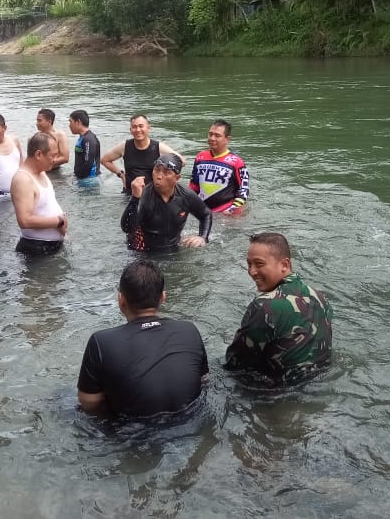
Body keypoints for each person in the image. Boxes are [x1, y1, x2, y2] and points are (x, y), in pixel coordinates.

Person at [77, 259, 208, 418]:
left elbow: (89, 403)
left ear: (121, 300)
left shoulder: (101, 342)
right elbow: (203, 381)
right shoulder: (189, 330)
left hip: (133, 432)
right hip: (189, 421)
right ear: (162, 298)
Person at [224, 232, 334, 384]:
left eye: (259, 264)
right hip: (319, 384)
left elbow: (236, 363)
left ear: (284, 265)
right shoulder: (320, 297)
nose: (252, 271)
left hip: (276, 394)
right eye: (249, 264)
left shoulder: (265, 305)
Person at [120, 154, 211, 253]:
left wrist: (202, 237)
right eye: (157, 170)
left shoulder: (185, 195)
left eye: (166, 172)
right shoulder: (143, 195)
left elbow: (206, 214)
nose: (159, 176)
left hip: (174, 249)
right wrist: (135, 198)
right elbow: (127, 228)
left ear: (177, 178)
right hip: (142, 253)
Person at [11, 132, 67, 256]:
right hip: (36, 248)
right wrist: (59, 222)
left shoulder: (41, 172)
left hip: (49, 245)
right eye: (52, 156)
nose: (55, 160)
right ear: (38, 154)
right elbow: (24, 221)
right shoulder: (23, 180)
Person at [101, 114, 182, 194]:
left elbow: (181, 161)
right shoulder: (124, 147)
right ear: (130, 130)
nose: (138, 130)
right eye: (134, 127)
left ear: (148, 128)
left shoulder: (158, 147)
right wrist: (121, 175)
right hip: (130, 193)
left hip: (152, 194)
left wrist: (165, 177)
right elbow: (105, 160)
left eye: (141, 126)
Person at [189, 120, 249, 214]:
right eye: (210, 134)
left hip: (226, 213)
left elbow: (244, 190)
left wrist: (232, 209)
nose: (212, 138)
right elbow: (194, 186)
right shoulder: (200, 157)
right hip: (202, 211)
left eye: (217, 135)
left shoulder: (237, 162)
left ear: (227, 139)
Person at [68, 109, 100, 181]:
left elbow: (88, 163)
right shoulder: (83, 138)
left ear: (78, 122)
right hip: (83, 180)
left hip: (89, 182)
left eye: (70, 122)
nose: (69, 125)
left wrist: (77, 178)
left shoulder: (88, 139)